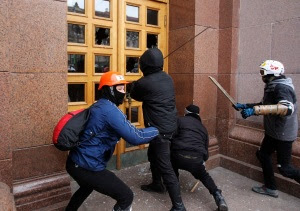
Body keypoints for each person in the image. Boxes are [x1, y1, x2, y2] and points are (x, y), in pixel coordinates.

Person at [65, 71, 159, 211]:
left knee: (86, 187)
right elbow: (135, 137)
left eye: (124, 89)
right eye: (119, 89)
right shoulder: (109, 110)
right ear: (110, 89)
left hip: (75, 162)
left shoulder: (100, 105)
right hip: (87, 166)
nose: (123, 92)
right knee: (126, 197)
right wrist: (157, 130)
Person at [130, 48, 186, 211]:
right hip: (170, 125)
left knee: (165, 165)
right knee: (152, 155)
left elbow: (135, 95)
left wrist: (135, 83)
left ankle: (179, 206)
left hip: (159, 130)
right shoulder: (167, 78)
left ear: (144, 65)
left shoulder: (144, 82)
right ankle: (156, 184)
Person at [235, 60, 300, 198]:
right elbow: (266, 104)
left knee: (285, 168)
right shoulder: (273, 86)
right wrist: (247, 106)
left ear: (272, 73)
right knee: (263, 154)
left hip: (283, 134)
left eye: (263, 72)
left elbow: (286, 108)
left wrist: (255, 111)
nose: (261, 76)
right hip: (273, 132)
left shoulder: (282, 88)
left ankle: (271, 187)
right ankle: (270, 187)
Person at [171, 104, 228, 211]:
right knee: (204, 176)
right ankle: (218, 196)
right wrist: (202, 161)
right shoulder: (203, 129)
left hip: (178, 155)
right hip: (196, 159)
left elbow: (171, 137)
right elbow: (206, 152)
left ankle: (175, 191)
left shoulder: (180, 120)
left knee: (171, 165)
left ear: (186, 113)